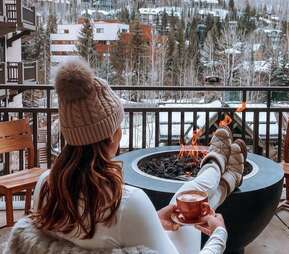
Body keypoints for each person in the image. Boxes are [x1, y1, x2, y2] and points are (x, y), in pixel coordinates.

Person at [31, 60, 247, 254]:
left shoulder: (45, 187)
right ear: (113, 135)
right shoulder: (127, 203)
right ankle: (217, 167)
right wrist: (220, 234)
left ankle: (222, 176)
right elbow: (122, 223)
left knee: (183, 203)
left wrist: (153, 220)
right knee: (187, 196)